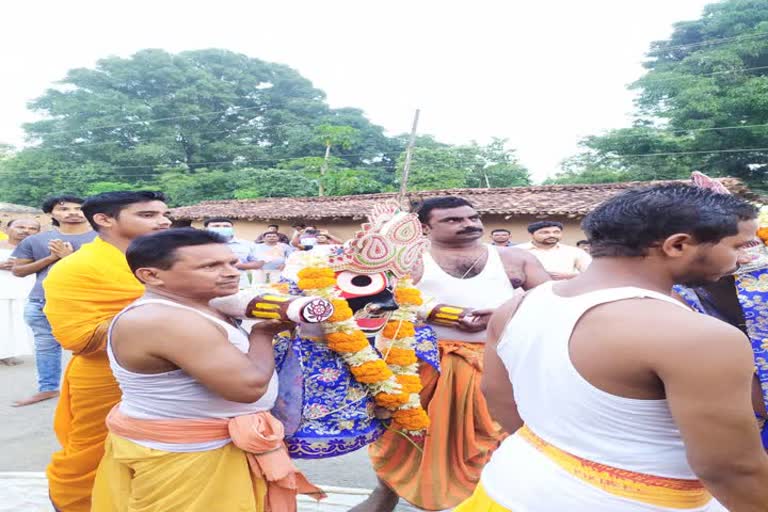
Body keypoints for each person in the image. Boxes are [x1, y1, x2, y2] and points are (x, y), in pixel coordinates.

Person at [461, 184, 768, 512]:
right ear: (678, 245)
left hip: (510, 487)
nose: (744, 260)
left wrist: (573, 458)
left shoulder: (518, 305)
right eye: (738, 246)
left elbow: (497, 395)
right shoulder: (696, 335)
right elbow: (731, 469)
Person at [90, 228, 322, 511]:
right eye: (210, 266)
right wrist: (263, 334)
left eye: (231, 263)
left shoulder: (199, 305)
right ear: (151, 275)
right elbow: (248, 388)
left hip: (202, 448)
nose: (230, 272)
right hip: (187, 456)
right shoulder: (163, 319)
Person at [358, 196, 551, 512]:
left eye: (472, 217)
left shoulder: (514, 259)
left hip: (496, 365)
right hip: (425, 367)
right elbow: (373, 302)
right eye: (453, 220)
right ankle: (391, 493)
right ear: (424, 227)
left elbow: (550, 298)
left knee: (495, 443)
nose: (469, 224)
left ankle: (486, 501)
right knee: (410, 441)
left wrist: (509, 311)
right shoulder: (407, 260)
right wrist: (433, 311)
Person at [43, 191, 171, 512]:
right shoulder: (75, 268)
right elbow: (79, 337)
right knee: (92, 454)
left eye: (163, 214)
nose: (163, 221)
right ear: (104, 219)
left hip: (174, 376)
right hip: (105, 376)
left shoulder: (168, 262)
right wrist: (169, 313)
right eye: (148, 215)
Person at [11, 195, 96, 407]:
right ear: (51, 214)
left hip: (89, 301)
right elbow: (18, 270)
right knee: (46, 346)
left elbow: (109, 271)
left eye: (79, 208)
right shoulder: (35, 240)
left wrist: (68, 257)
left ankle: (95, 391)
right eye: (65, 209)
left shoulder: (102, 239)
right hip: (43, 301)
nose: (73, 213)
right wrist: (51, 258)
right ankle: (47, 388)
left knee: (95, 345)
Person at [0, 218, 40, 365]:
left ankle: (7, 353)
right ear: (7, 229)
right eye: (20, 226)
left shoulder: (39, 248)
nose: (26, 231)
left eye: (32, 228)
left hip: (23, 291)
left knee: (14, 324)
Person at [518, 220, 591, 279]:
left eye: (556, 232)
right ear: (531, 234)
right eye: (545, 233)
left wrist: (569, 276)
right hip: (525, 294)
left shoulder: (575, 252)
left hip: (565, 292)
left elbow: (593, 273)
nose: (552, 235)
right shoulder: (517, 251)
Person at [203, 217, 264, 288]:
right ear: (206, 229)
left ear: (232, 228)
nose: (222, 228)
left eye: (226, 226)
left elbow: (259, 263)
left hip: (239, 285)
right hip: (207, 285)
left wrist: (239, 265)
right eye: (216, 226)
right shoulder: (196, 245)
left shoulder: (247, 244)